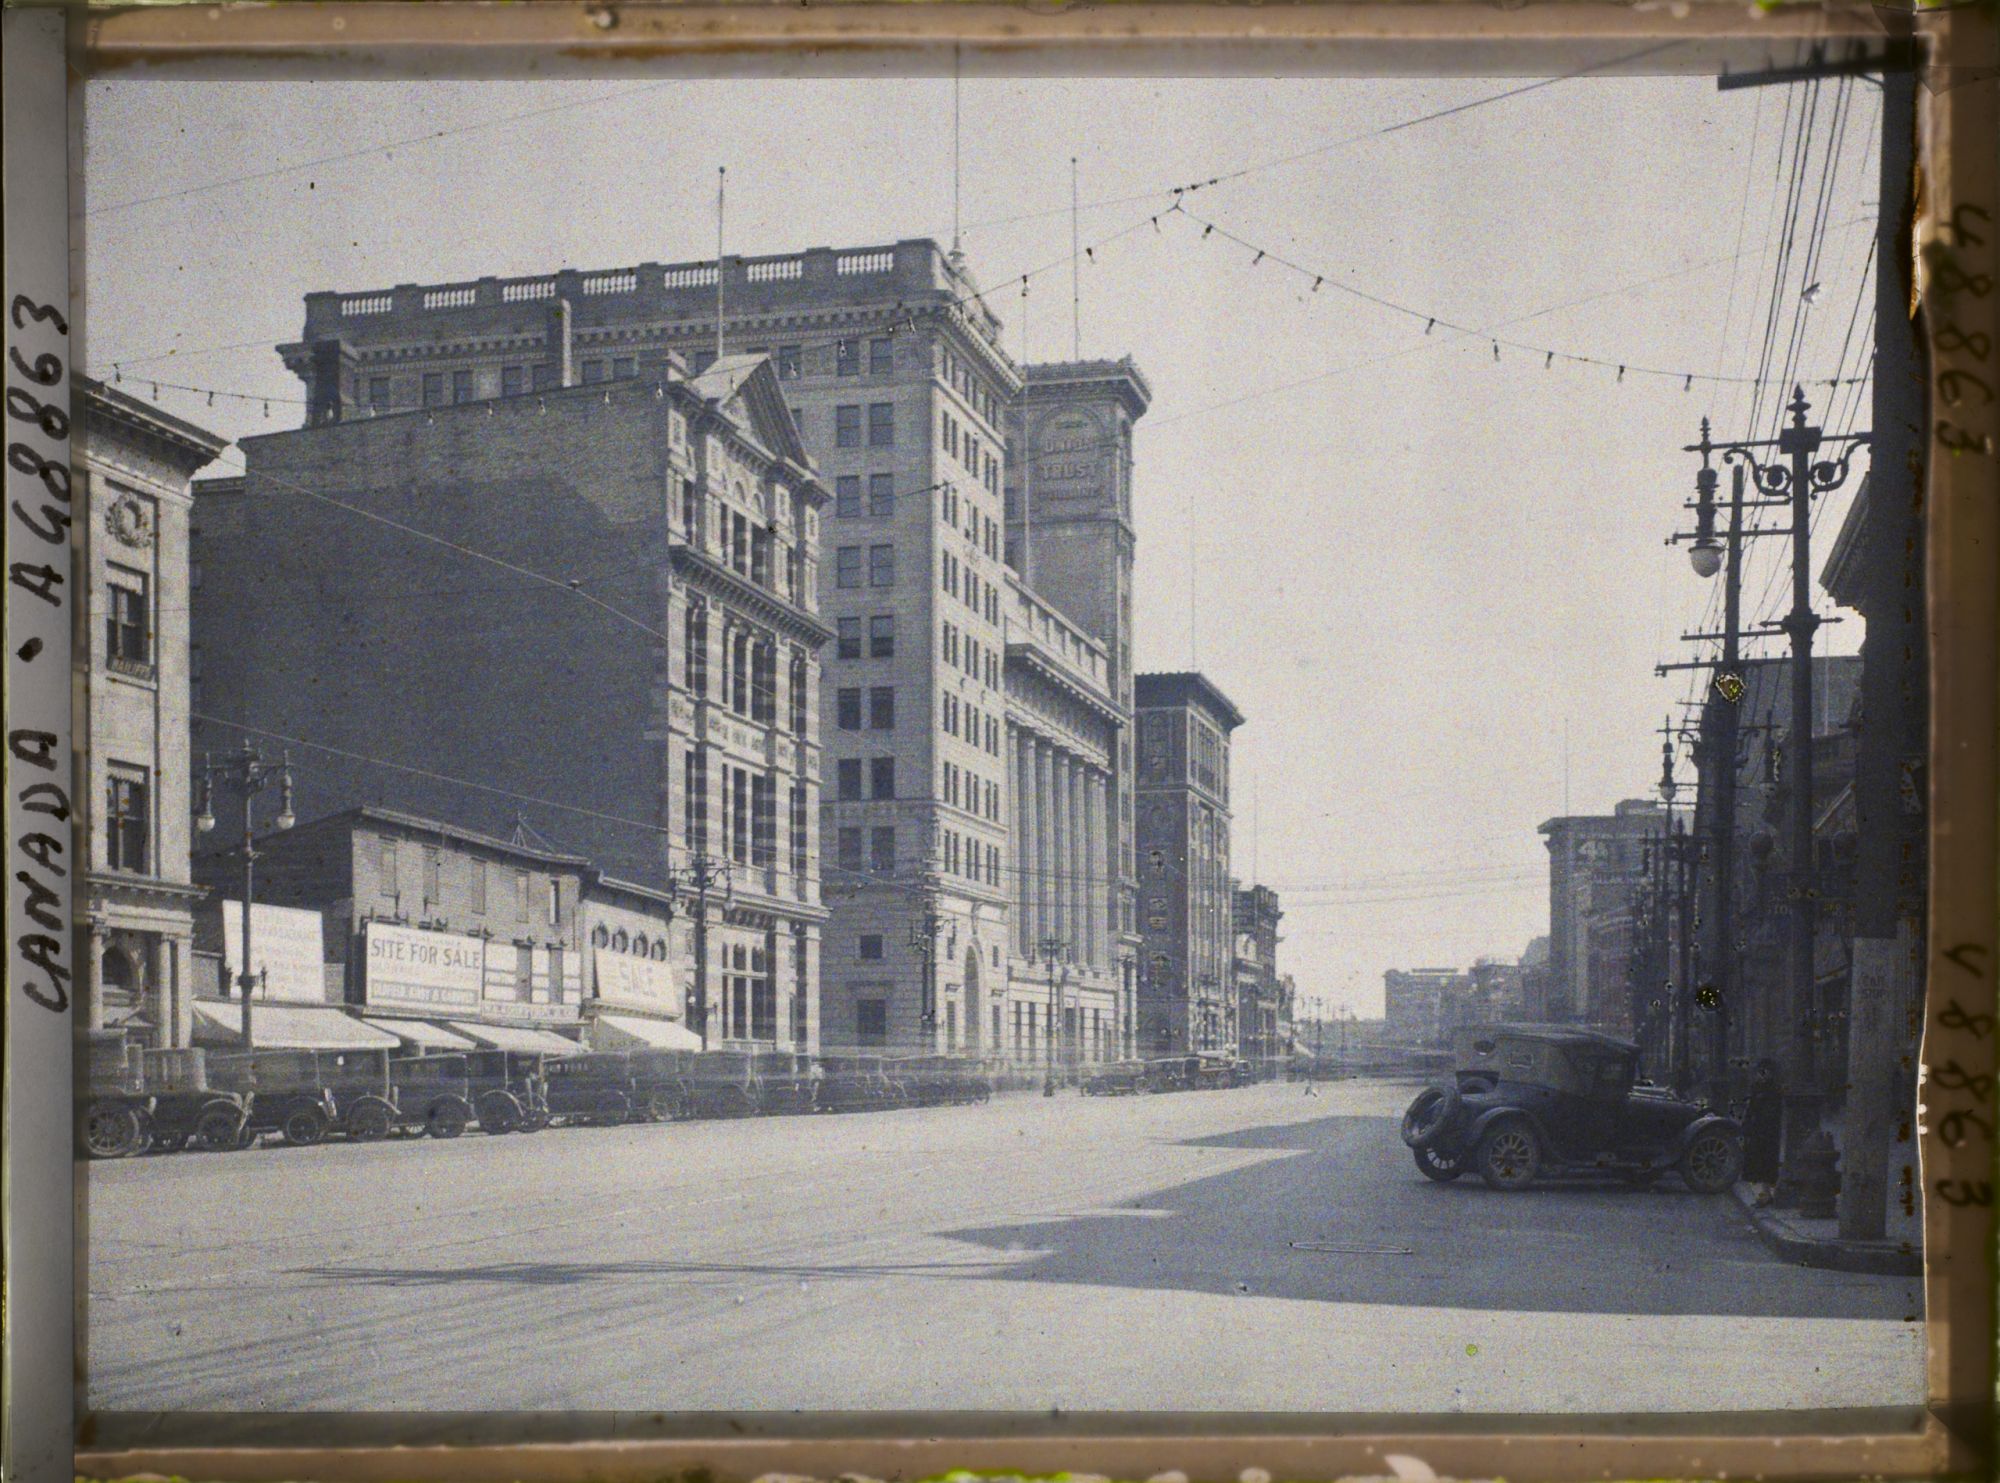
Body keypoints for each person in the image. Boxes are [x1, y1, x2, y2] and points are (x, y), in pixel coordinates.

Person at [1742, 1058, 1783, 1204]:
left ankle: (1766, 1194)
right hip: (1758, 1129)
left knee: (1766, 1164)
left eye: (1765, 1072)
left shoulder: (1772, 1089)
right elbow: (1751, 1108)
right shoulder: (1758, 1088)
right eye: (1761, 1072)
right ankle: (1763, 1194)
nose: (1763, 1075)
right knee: (1759, 1164)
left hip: (1768, 1130)